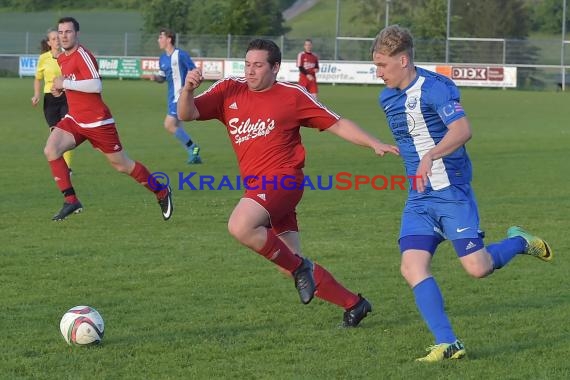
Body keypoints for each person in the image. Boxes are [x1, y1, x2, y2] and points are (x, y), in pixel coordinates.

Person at [177, 38, 399, 326]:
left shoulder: (292, 96)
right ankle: (354, 304)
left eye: (258, 65)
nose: (250, 71)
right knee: (288, 263)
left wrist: (372, 142)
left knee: (240, 225)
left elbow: (336, 122)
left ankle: (301, 269)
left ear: (276, 67)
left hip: (284, 180)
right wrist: (187, 89)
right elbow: (187, 113)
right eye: (247, 64)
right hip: (258, 187)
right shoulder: (228, 89)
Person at [371, 25, 553, 362]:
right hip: (419, 199)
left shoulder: (437, 89)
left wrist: (431, 156)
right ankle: (449, 342)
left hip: (452, 194)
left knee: (478, 268)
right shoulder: (387, 98)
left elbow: (462, 130)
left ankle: (519, 241)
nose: (377, 72)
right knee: (412, 267)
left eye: (382, 65)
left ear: (404, 60)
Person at [45, 16, 173, 221]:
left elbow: (95, 85)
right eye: (60, 32)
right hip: (76, 120)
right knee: (51, 149)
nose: (64, 36)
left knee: (122, 165)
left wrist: (65, 84)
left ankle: (161, 191)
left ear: (76, 34)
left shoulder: (82, 55)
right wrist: (61, 88)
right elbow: (74, 83)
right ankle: (71, 201)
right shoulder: (62, 57)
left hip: (98, 122)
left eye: (68, 32)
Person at [151, 28, 202, 164]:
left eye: (161, 37)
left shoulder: (180, 54)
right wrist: (155, 77)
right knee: (178, 128)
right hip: (171, 97)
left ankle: (194, 148)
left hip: (180, 97)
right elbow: (162, 78)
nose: (158, 40)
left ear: (169, 39)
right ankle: (195, 155)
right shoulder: (162, 58)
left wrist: (188, 87)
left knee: (169, 125)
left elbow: (194, 70)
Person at [32, 29, 73, 172]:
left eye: (58, 38)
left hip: (66, 97)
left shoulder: (67, 56)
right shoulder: (43, 58)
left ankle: (67, 167)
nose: (57, 40)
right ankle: (61, 165)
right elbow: (38, 79)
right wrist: (36, 94)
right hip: (50, 99)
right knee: (55, 133)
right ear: (49, 43)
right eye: (54, 39)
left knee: (66, 132)